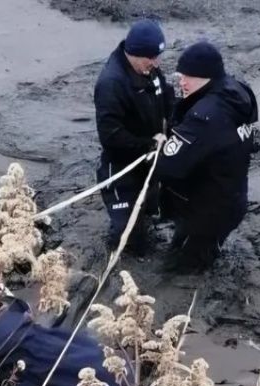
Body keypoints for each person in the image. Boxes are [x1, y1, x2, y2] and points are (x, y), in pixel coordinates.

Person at [156, 40, 259, 273]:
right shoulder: (238, 91)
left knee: (181, 269)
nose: (181, 82)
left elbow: (168, 166)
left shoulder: (204, 117)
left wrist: (157, 149)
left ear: (205, 76)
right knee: (196, 249)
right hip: (231, 198)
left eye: (187, 77)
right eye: (180, 75)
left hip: (205, 212)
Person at [93, 19, 174, 254]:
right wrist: (148, 144)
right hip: (121, 168)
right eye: (151, 58)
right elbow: (110, 136)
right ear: (135, 54)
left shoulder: (149, 69)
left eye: (157, 57)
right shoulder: (111, 84)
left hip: (149, 162)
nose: (156, 63)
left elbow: (167, 99)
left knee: (151, 214)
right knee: (126, 237)